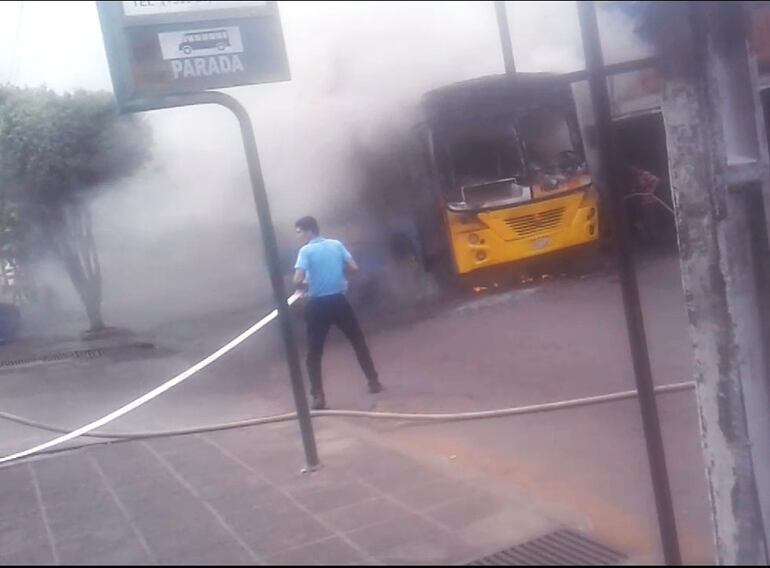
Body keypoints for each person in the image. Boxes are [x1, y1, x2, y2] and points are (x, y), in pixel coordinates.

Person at [293, 216, 382, 410]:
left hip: (317, 305)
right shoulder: (336, 244)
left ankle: (318, 396)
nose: (297, 236)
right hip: (339, 301)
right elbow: (353, 267)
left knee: (314, 353)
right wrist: (337, 275)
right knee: (358, 342)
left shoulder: (305, 251)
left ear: (309, 231)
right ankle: (373, 381)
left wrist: (306, 284)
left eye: (299, 231)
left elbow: (297, 279)